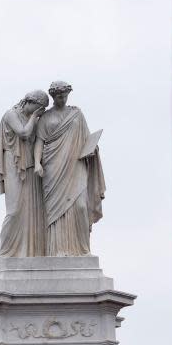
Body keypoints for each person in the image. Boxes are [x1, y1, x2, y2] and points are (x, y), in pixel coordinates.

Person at [33, 81, 106, 256]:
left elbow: (86, 138)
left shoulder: (76, 115)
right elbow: (39, 142)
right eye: (59, 97)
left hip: (76, 164)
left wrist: (92, 149)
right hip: (53, 167)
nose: (62, 99)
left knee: (80, 206)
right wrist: (37, 163)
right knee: (56, 212)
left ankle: (82, 249)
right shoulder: (45, 118)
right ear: (52, 97)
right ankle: (58, 250)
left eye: (65, 96)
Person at [0, 90, 49, 257]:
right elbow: (24, 134)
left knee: (32, 209)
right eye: (38, 108)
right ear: (29, 102)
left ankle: (29, 252)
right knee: (14, 209)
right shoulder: (11, 114)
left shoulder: (35, 119)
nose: (38, 112)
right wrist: (35, 118)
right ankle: (5, 253)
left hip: (30, 164)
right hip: (13, 161)